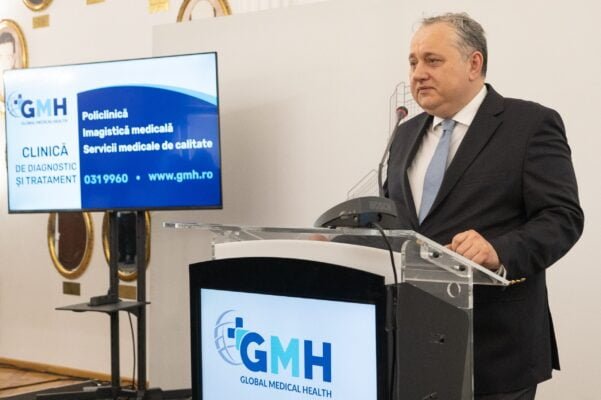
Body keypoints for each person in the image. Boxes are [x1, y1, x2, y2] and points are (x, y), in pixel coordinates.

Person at [384, 12, 584, 400]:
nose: (418, 73)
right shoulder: (405, 134)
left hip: (496, 352)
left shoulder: (529, 124)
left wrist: (499, 251)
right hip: (414, 346)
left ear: (473, 63)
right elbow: (398, 222)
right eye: (413, 62)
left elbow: (563, 218)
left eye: (432, 60)